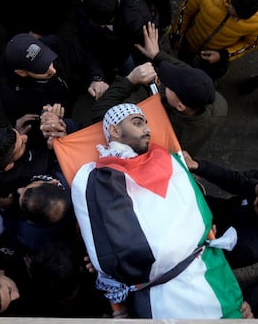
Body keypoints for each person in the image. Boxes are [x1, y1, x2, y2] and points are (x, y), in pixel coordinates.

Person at [71, 103, 246, 318]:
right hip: (164, 294)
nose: (147, 129)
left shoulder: (169, 159)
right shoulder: (94, 179)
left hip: (208, 272)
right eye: (137, 122)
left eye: (146, 123)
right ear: (114, 130)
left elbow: (195, 207)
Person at [91, 22, 217, 155]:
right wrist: (157, 55)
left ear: (180, 106)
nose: (165, 83)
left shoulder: (162, 130)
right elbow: (188, 73)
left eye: (170, 85)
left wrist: (130, 80)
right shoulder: (212, 101)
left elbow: (99, 113)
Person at [184, 152, 258, 268]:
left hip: (203, 238)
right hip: (216, 209)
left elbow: (215, 263)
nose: (254, 184)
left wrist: (211, 240)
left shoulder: (249, 249)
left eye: (257, 184)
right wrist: (199, 166)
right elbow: (234, 180)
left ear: (257, 202)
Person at [169, 0, 258, 80]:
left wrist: (223, 55)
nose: (236, 21)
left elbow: (249, 44)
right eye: (234, 15)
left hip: (217, 55)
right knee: (182, 65)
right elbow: (185, 12)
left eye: (242, 19)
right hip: (190, 41)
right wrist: (176, 35)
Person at [72, 0, 152, 87]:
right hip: (99, 47)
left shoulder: (136, 18)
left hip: (124, 49)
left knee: (129, 66)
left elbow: (144, 47)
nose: (102, 26)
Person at [0, 32, 103, 124]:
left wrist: (96, 78)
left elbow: (84, 58)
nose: (52, 70)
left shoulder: (53, 43)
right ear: (21, 72)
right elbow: (31, 132)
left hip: (78, 93)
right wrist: (49, 122)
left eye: (48, 58)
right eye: (41, 68)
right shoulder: (14, 100)